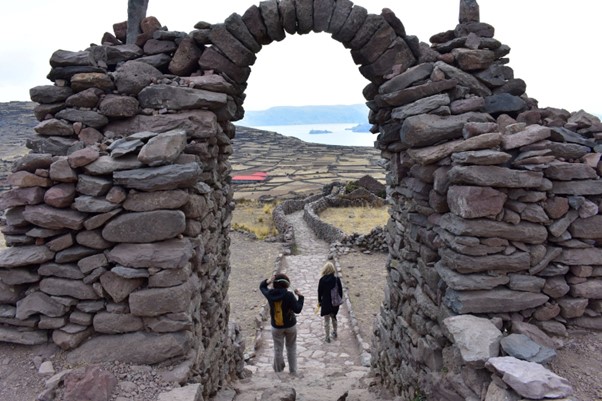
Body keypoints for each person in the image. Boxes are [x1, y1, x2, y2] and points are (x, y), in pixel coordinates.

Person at [260, 273, 304, 374]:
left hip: (276, 327)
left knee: (278, 348)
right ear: (286, 284)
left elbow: (262, 286)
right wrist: (300, 297)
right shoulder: (289, 295)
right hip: (290, 326)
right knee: (291, 347)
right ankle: (293, 371)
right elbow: (297, 309)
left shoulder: (270, 294)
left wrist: (269, 281)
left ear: (274, 284)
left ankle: (278, 370)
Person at [317, 261, 342, 343]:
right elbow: (340, 292)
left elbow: (319, 292)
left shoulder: (322, 280)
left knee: (326, 320)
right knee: (334, 317)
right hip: (334, 303)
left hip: (326, 302)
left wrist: (319, 301)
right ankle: (335, 332)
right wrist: (338, 300)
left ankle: (327, 337)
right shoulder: (336, 279)